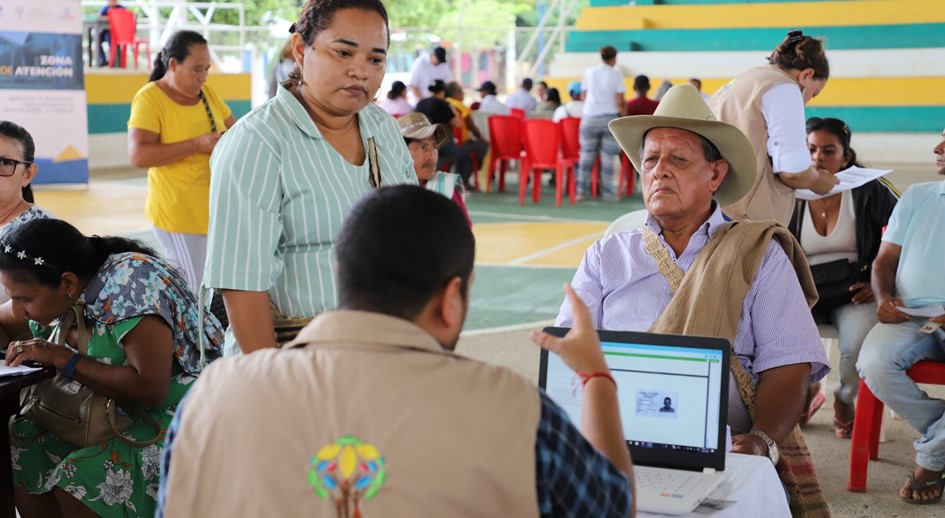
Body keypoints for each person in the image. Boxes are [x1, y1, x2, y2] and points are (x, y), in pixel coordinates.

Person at [157, 185, 634, 517]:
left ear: (339, 273)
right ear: (451, 299)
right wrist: (596, 380)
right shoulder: (517, 411)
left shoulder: (210, 395)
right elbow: (613, 507)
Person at [557, 85, 830, 514]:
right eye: (650, 159)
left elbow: (789, 362)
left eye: (678, 159)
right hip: (616, 438)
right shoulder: (606, 256)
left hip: (725, 449)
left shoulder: (757, 252)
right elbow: (570, 358)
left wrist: (760, 439)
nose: (660, 171)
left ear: (715, 175)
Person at [205, 0, 416, 356]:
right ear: (301, 49)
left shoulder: (384, 130)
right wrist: (276, 381)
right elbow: (242, 288)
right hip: (293, 358)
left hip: (380, 351)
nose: (360, 71)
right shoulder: (257, 142)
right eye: (343, 53)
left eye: (375, 59)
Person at [1, 218, 223, 518]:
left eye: (24, 299)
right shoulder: (69, 284)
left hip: (183, 414)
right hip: (110, 407)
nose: (17, 309)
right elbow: (5, 321)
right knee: (21, 443)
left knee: (81, 479)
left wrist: (62, 358)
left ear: (67, 283)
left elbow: (150, 389)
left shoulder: (131, 283)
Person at [787, 117, 899, 438]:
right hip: (802, 293)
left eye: (828, 150)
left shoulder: (869, 190)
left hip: (853, 292)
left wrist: (880, 284)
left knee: (856, 346)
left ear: (845, 157)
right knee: (783, 341)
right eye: (809, 149)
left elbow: (907, 234)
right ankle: (807, 393)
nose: (817, 158)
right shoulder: (787, 191)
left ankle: (844, 397)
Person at [856, 128, 945, 504]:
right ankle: (939, 434)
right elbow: (885, 259)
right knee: (873, 362)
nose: (938, 148)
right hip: (910, 316)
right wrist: (883, 297)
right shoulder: (917, 196)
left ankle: (932, 459)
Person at [128, 30, 236, 295]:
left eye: (206, 70)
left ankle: (205, 335)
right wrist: (196, 145)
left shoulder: (207, 94)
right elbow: (139, 155)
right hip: (179, 213)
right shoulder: (150, 98)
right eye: (196, 69)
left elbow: (237, 133)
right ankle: (190, 337)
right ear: (173, 64)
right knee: (192, 291)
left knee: (211, 289)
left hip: (212, 210)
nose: (203, 77)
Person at [709, 30, 839, 225]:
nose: (808, 101)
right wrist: (820, 181)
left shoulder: (745, 80)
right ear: (806, 74)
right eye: (814, 93)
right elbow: (793, 172)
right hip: (744, 218)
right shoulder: (785, 88)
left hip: (714, 204)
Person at [398, 112, 471, 224]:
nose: (431, 155)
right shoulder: (384, 188)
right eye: (423, 147)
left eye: (434, 147)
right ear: (399, 151)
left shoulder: (446, 187)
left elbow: (463, 234)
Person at [576, 45, 626, 202]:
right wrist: (623, 117)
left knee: (586, 156)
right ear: (614, 58)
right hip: (609, 119)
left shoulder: (589, 72)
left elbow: (583, 95)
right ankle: (607, 193)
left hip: (590, 117)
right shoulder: (616, 75)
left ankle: (581, 191)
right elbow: (620, 100)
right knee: (608, 158)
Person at [444, 81, 489, 190]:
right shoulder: (460, 106)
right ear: (455, 93)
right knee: (483, 147)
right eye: (461, 92)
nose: (463, 95)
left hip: (448, 142)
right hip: (461, 142)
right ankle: (467, 179)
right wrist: (483, 139)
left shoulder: (445, 103)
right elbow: (472, 128)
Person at [94, 0, 125, 67]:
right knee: (96, 38)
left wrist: (110, 18)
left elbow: (122, 17)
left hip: (117, 33)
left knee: (110, 38)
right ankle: (103, 60)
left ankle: (113, 61)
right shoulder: (105, 8)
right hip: (105, 31)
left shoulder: (121, 8)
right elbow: (99, 16)